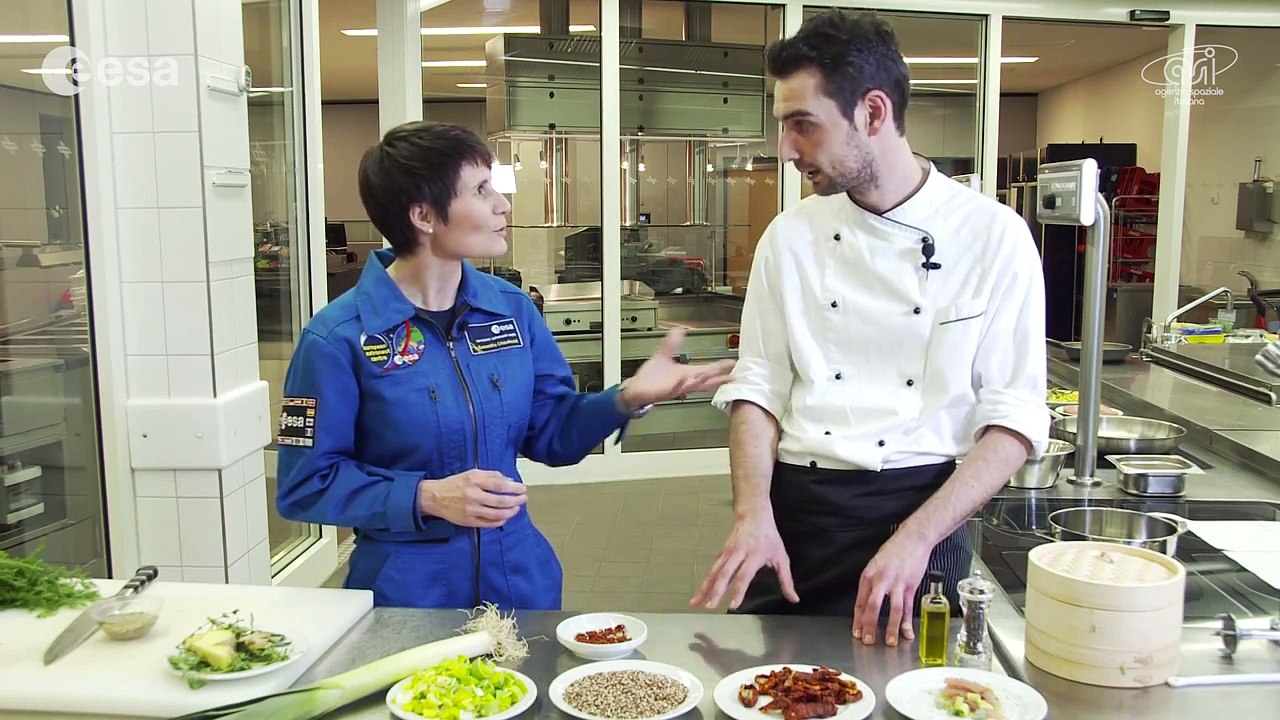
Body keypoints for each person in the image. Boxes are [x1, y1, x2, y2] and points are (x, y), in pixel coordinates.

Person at [691, 10, 1049, 647]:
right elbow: (759, 387)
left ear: (873, 112)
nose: (786, 149)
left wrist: (915, 539)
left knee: (911, 686)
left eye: (803, 124)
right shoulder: (789, 238)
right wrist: (752, 513)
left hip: (924, 516)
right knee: (770, 681)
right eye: (783, 125)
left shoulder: (994, 236)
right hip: (799, 516)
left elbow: (1013, 419)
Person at [275, 121, 735, 610]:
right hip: (408, 594)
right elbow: (306, 485)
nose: (503, 205)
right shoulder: (337, 338)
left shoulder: (510, 310)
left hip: (518, 581)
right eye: (480, 190)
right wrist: (425, 496)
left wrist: (624, 399)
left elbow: (551, 433)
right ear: (423, 215)